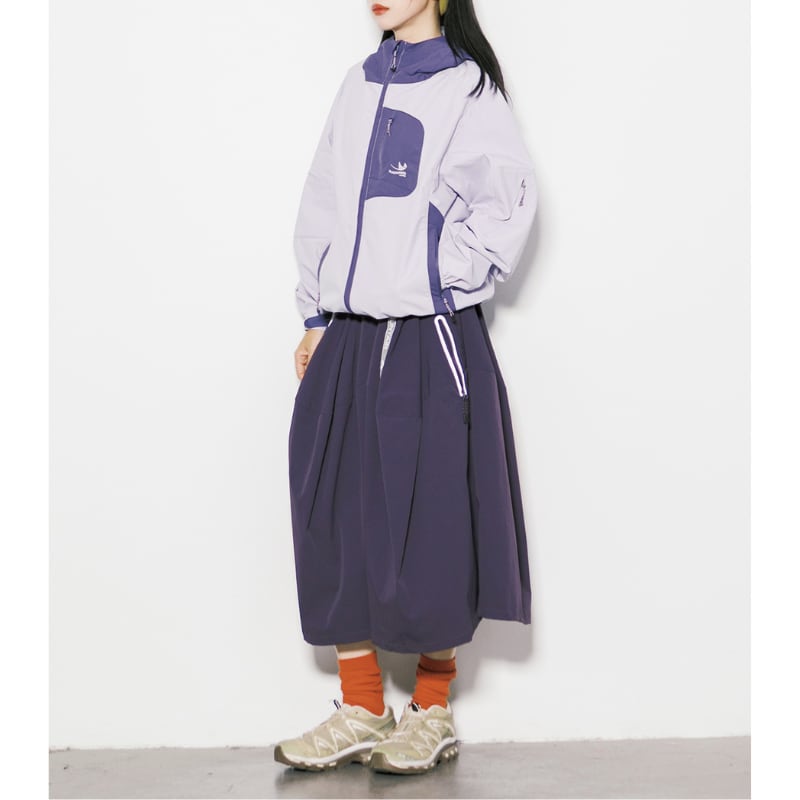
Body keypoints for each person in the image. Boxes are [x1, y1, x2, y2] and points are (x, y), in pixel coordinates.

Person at [275, 0, 538, 775]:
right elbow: (323, 198)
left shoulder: (467, 88)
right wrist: (317, 314)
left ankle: (431, 708)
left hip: (428, 335)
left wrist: (429, 276)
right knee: (334, 512)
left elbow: (507, 204)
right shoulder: (358, 83)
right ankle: (362, 707)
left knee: (431, 519)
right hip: (349, 332)